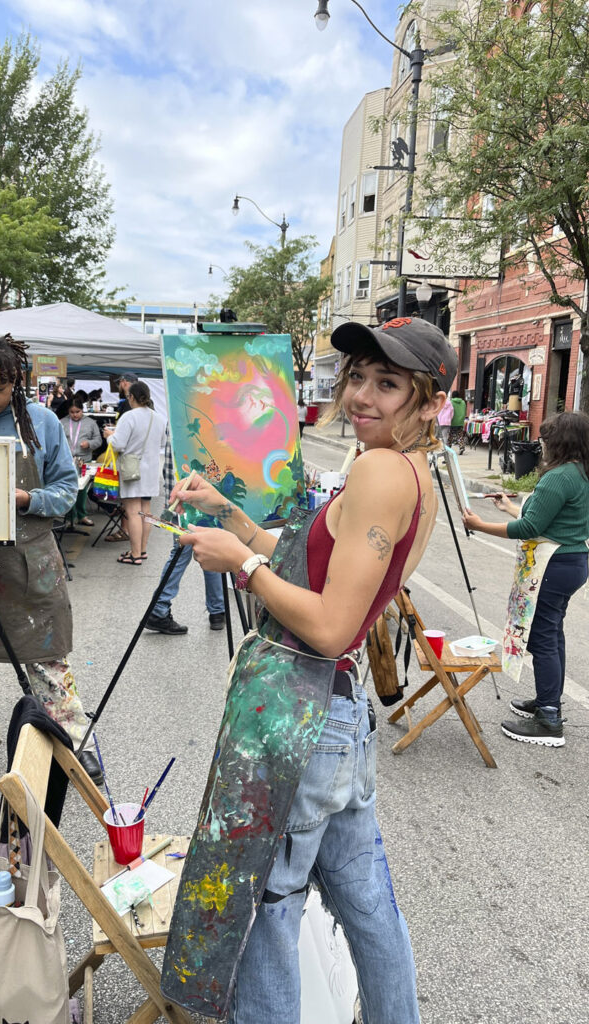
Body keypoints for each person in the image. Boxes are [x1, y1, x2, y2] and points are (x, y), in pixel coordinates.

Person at [160, 316, 457, 1024]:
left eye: (389, 384)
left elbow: (330, 626)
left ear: (431, 402)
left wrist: (243, 565)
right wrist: (232, 516)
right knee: (368, 904)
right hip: (337, 717)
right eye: (359, 377)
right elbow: (313, 567)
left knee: (265, 910)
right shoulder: (414, 471)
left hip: (305, 718)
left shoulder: (380, 470)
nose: (362, 396)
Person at [0, 336, 102, 785]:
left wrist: (28, 498)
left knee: (48, 660)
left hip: (31, 560)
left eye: (0, 388)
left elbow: (66, 490)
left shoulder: (42, 422)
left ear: (17, 383)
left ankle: (75, 739)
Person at [462, 411, 589, 748]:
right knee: (553, 633)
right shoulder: (580, 472)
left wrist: (479, 525)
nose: (541, 444)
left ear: (560, 442)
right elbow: (551, 519)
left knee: (541, 638)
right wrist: (509, 508)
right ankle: (549, 700)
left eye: (545, 438)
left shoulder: (557, 477)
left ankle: (549, 718)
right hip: (573, 561)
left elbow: (530, 528)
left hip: (553, 565)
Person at [144, 438, 226, 634]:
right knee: (205, 549)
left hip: (185, 499)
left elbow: (169, 470)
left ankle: (215, 610)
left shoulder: (179, 424)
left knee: (191, 551)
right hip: (192, 499)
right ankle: (215, 610)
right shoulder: (192, 427)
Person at [103, 381, 166, 565]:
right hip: (151, 469)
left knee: (133, 512)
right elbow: (162, 443)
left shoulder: (129, 417)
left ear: (131, 397)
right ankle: (142, 550)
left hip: (132, 469)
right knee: (146, 511)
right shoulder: (158, 418)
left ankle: (135, 554)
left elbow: (118, 444)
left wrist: (109, 436)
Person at [61, 397, 102, 526]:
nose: (75, 415)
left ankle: (81, 515)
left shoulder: (91, 423)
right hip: (67, 460)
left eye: (77, 412)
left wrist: (89, 443)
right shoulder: (62, 422)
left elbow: (98, 440)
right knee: (69, 487)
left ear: (82, 410)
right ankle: (69, 517)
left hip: (84, 460)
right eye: (72, 412)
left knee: (82, 489)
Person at [448, 389, 467, 453]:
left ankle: (448, 448)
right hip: (460, 422)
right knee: (460, 435)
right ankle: (461, 447)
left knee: (450, 436)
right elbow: (465, 411)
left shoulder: (451, 402)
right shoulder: (463, 402)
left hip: (452, 422)